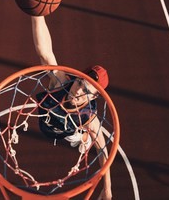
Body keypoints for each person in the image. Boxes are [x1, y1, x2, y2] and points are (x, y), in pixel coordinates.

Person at [31, 16, 112, 200]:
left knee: (80, 137)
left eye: (86, 91)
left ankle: (83, 139)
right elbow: (45, 53)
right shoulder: (61, 83)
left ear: (94, 96)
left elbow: (103, 151)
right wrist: (37, 14)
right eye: (80, 83)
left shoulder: (89, 115)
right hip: (48, 120)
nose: (78, 91)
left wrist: (107, 188)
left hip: (69, 132)